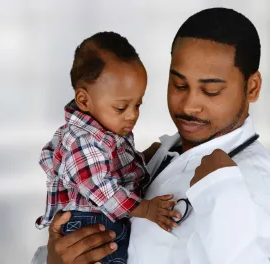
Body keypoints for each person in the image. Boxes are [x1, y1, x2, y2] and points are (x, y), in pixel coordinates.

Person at [31, 7, 270, 264]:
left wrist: (222, 190)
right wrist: (53, 260)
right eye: (179, 85)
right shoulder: (160, 154)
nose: (189, 106)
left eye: (211, 91)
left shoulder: (255, 187)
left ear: (252, 87)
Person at [35, 31, 179, 264]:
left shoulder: (104, 131)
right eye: (121, 107)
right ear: (84, 100)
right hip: (92, 225)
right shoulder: (83, 141)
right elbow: (102, 188)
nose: (133, 115)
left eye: (138, 104)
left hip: (103, 217)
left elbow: (111, 169)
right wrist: (147, 209)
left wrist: (143, 157)